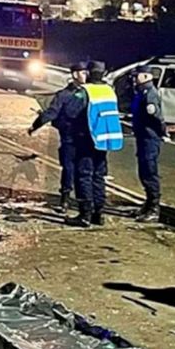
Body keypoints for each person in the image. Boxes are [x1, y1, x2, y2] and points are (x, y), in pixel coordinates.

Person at [28, 62, 89, 212]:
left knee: (82, 170)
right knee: (69, 169)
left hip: (84, 138)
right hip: (70, 137)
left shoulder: (86, 92)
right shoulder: (65, 94)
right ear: (74, 74)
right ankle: (66, 199)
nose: (85, 75)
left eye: (86, 72)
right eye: (82, 72)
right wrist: (36, 125)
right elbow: (51, 113)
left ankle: (82, 203)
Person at [70, 61, 124, 227]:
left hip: (87, 139)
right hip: (104, 140)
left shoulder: (85, 91)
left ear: (88, 73)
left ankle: (84, 214)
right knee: (98, 176)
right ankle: (98, 214)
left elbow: (72, 112)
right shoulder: (110, 91)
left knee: (84, 175)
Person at [130, 65, 168, 222]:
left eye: (137, 75)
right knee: (144, 171)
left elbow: (156, 117)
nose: (134, 78)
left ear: (146, 76)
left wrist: (162, 132)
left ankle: (154, 208)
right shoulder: (141, 92)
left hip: (149, 138)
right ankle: (147, 204)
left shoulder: (149, 93)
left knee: (149, 172)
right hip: (143, 136)